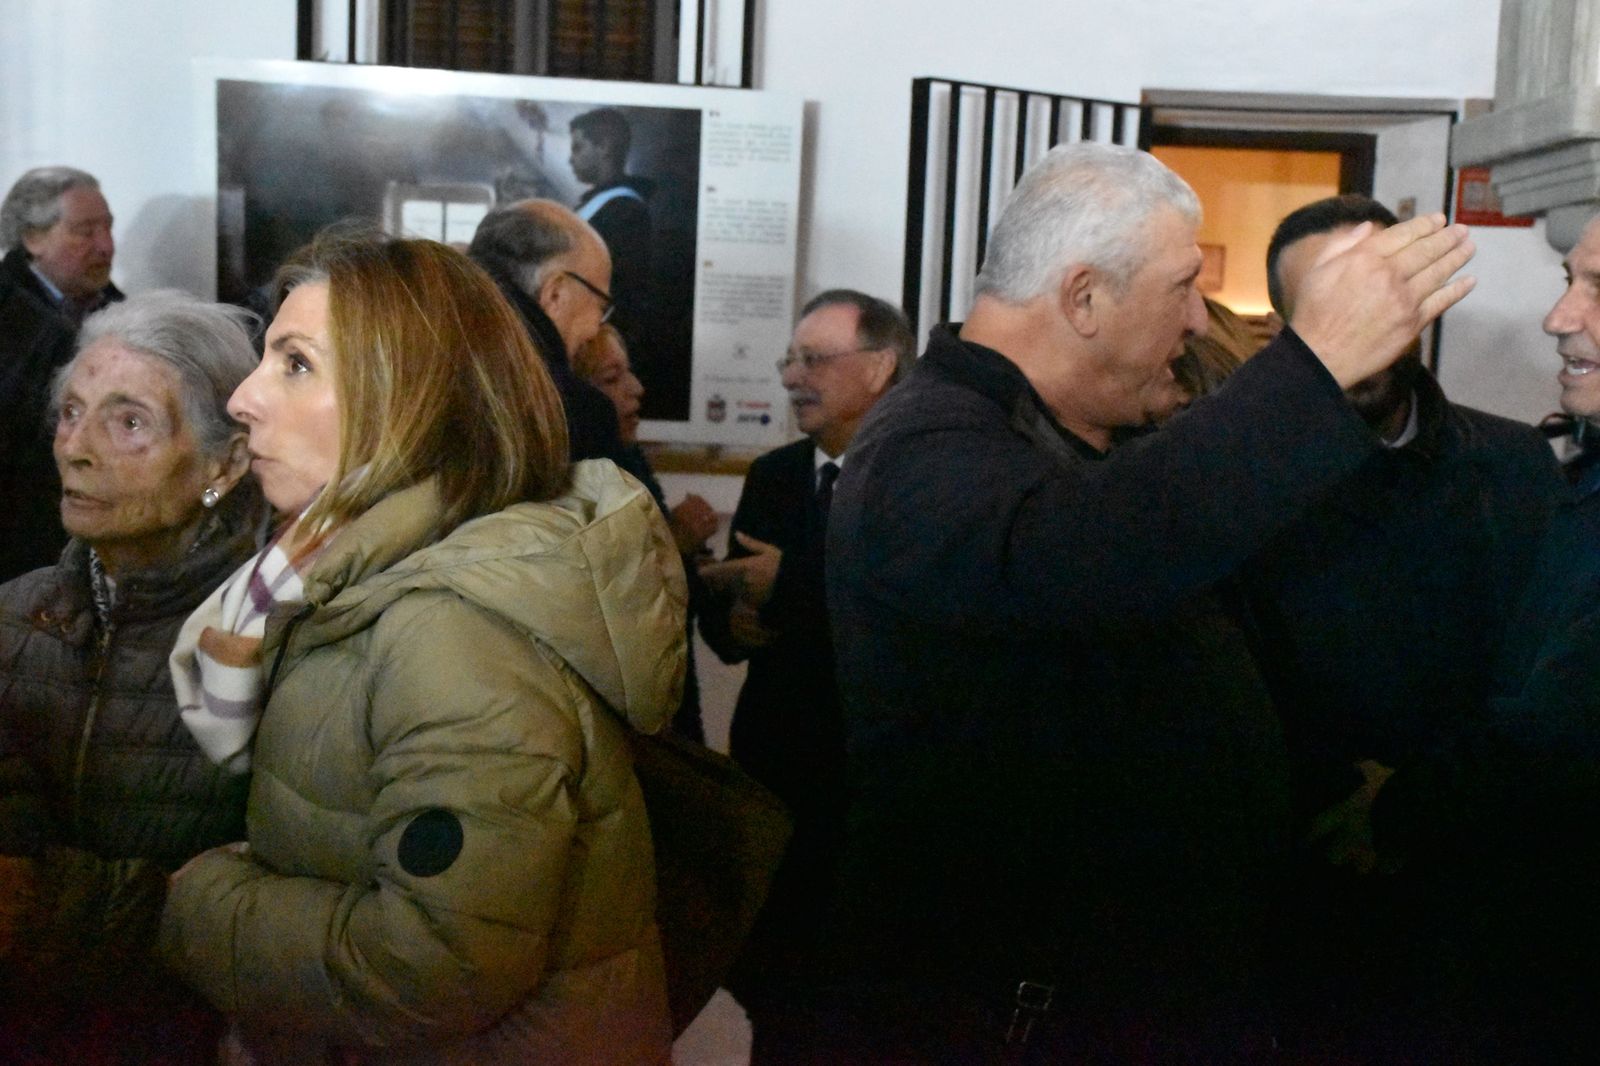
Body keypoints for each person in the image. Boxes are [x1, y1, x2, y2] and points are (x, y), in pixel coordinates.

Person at [824, 142, 1475, 1061]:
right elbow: (1093, 552)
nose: (1196, 319)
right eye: (1179, 287)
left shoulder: (1055, 433)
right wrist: (1312, 365)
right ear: (1084, 297)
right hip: (1016, 1012)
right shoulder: (927, 446)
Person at [158, 231, 683, 1064]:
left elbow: (432, 969)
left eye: (295, 365)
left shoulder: (451, 633)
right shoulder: (348, 582)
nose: (243, 399)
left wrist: (201, 904)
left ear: (412, 398)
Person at [1244, 194, 1566, 1055]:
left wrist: (1426, 805)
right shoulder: (1230, 484)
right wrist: (1334, 804)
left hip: (1474, 899)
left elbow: (1541, 678)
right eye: (1326, 305)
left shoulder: (1515, 465)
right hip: (1295, 896)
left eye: (1380, 289)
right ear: (1287, 328)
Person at [0, 291, 262, 1063]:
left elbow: (268, 912)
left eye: (129, 422)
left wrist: (44, 908)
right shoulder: (11, 620)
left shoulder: (264, 646)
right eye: (71, 413)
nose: (77, 448)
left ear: (224, 464)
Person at [697, 289, 912, 1058]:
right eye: (790, 358)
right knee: (775, 999)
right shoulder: (777, 474)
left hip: (867, 785)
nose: (793, 376)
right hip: (777, 774)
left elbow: (898, 613)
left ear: (882, 367)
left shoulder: (914, 477)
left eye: (815, 359)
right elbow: (733, 614)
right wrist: (732, 619)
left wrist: (792, 585)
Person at [573, 323, 718, 741]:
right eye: (611, 379)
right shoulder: (589, 479)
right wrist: (676, 539)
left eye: (629, 373)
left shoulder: (630, 461)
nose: (636, 389)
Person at [1, 166, 123, 582]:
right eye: (85, 231)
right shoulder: (13, 321)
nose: (106, 245)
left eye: (107, 228)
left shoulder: (124, 318)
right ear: (33, 238)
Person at [468, 198, 642, 477]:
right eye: (600, 306)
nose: (597, 329)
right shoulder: (574, 413)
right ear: (556, 294)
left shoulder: (418, 371)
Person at [570, 107, 651, 349]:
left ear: (604, 147)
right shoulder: (605, 206)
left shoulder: (625, 211)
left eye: (577, 147)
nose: (570, 158)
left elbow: (624, 293)